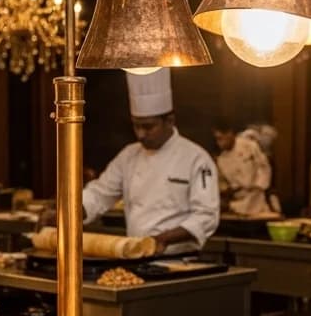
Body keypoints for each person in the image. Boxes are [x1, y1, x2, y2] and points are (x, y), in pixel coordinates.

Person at [81, 69, 219, 254]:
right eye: (136, 126)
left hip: (180, 261)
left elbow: (206, 216)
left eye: (148, 127)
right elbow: (99, 194)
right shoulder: (128, 156)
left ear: (169, 121)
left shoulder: (196, 158)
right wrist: (69, 214)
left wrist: (161, 240)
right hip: (136, 255)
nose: (140, 134)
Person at [213, 121, 274, 215]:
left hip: (258, 197)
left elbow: (264, 167)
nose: (219, 143)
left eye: (221, 138)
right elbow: (225, 185)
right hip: (238, 201)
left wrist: (259, 186)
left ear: (230, 134)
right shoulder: (222, 160)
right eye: (217, 139)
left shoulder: (249, 146)